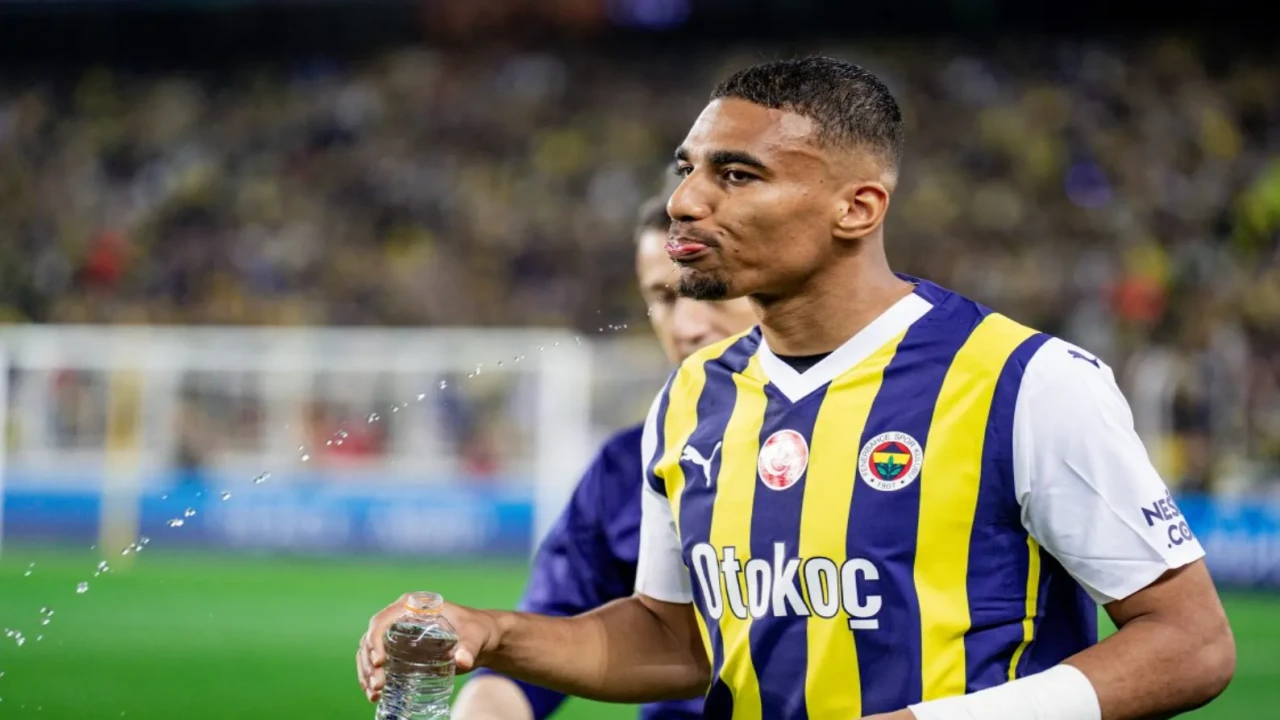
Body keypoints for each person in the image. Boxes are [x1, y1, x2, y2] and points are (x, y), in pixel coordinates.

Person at [359, 57, 1235, 720]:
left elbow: (1191, 643)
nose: (685, 201)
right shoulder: (692, 397)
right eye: (688, 168)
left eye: (736, 174)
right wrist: (491, 633)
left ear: (857, 208)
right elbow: (677, 638)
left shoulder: (1024, 381)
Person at [448, 191, 756, 720]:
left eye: (708, 291)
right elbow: (528, 663)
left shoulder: (883, 436)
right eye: (663, 298)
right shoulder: (626, 468)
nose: (686, 327)